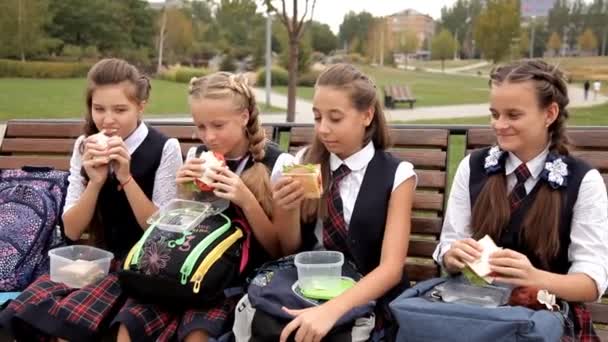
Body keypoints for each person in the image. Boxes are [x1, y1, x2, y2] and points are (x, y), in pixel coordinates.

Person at [0, 58, 183, 341]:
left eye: (120, 110)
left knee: (73, 324)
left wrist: (126, 178)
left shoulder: (164, 148)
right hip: (93, 257)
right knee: (27, 313)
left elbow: (161, 230)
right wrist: (95, 182)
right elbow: (72, 230)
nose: (108, 120)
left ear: (141, 106)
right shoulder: (85, 145)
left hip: (143, 266)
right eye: (99, 109)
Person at [433, 59, 608, 338]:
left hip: (547, 321)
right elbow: (449, 244)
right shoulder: (473, 167)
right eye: (494, 114)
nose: (499, 125)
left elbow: (591, 282)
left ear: (549, 113)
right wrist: (453, 256)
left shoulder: (583, 181)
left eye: (513, 115)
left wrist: (534, 277)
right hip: (476, 312)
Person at [114, 72, 294, 342]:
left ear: (244, 117)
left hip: (234, 280)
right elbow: (183, 228)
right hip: (186, 270)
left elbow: (280, 251)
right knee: (129, 325)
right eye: (200, 126)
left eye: (218, 126)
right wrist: (183, 191)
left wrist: (245, 199)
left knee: (197, 333)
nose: (208, 136)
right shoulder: (197, 156)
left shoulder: (278, 164)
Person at [272, 63, 417, 341]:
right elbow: (289, 249)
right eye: (317, 118)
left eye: (335, 118)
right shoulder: (304, 163)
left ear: (367, 115)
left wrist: (331, 311)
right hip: (308, 288)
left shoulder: (398, 175)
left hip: (370, 298)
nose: (323, 129)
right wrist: (287, 209)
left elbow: (391, 268)